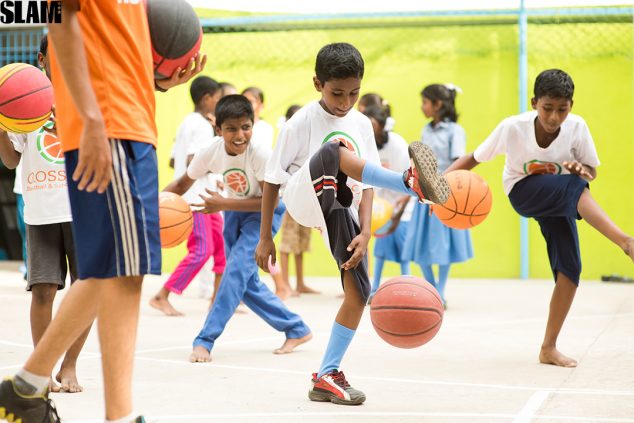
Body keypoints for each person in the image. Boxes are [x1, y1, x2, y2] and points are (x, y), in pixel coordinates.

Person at [0, 1, 205, 421]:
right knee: (123, 273)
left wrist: (157, 80)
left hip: (130, 118)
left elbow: (112, 46)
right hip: (109, 123)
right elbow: (56, 15)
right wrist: (92, 116)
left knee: (112, 268)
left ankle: (25, 386)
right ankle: (118, 414)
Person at [256, 42, 450, 405]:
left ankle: (327, 374)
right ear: (318, 84)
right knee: (331, 154)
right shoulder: (301, 122)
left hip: (337, 207)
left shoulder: (360, 123)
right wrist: (266, 235)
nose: (345, 101)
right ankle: (410, 183)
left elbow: (367, 182)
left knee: (360, 292)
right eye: (337, 93)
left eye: (353, 93)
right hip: (302, 196)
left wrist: (365, 233)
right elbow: (272, 178)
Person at [446, 69, 634, 368]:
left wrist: (581, 171)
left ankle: (549, 348)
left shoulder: (577, 127)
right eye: (548, 108)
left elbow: (591, 172)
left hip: (560, 197)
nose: (554, 117)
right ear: (535, 102)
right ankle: (626, 242)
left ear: (571, 105)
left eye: (563, 109)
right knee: (573, 188)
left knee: (570, 272)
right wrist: (440, 184)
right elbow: (475, 157)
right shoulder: (513, 127)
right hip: (524, 191)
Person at [162, 95, 312, 363]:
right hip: (235, 209)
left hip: (264, 214)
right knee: (244, 281)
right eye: (231, 128)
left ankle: (204, 340)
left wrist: (227, 207)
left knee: (234, 274)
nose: (240, 134)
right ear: (218, 130)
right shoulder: (210, 151)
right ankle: (296, 328)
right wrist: (153, 207)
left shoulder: (261, 154)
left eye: (246, 126)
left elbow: (271, 200)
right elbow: (183, 183)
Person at [0, 35, 91, 394]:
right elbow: (12, 160)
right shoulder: (22, 101)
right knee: (42, 291)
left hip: (83, 209)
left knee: (83, 291)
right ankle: (43, 370)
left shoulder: (87, 101)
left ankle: (69, 366)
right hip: (39, 210)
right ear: (42, 59)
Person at [150, 76, 226, 317]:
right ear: (207, 98)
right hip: (196, 199)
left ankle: (217, 301)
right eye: (217, 98)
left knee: (222, 248)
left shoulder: (190, 122)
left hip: (206, 197)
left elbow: (175, 159)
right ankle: (162, 295)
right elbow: (195, 160)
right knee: (202, 250)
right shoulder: (200, 126)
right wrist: (224, 164)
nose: (219, 103)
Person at [403, 84, 473, 307]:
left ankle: (439, 292)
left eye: (425, 102)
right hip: (424, 192)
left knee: (443, 244)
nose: (422, 107)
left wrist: (441, 189)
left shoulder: (455, 131)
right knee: (421, 244)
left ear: (438, 104)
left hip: (445, 194)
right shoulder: (426, 129)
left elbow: (458, 163)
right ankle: (432, 288)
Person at [361, 105, 413, 295]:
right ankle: (373, 288)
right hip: (381, 209)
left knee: (403, 251)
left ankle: (408, 286)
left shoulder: (398, 144)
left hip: (402, 207)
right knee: (380, 250)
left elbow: (411, 178)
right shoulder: (366, 144)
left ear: (382, 125)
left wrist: (403, 201)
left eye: (372, 123)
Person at [277, 104, 320, 298]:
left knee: (302, 242)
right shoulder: (285, 142)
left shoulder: (308, 141)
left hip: (306, 197)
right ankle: (284, 283)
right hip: (289, 198)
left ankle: (300, 282)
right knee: (287, 243)